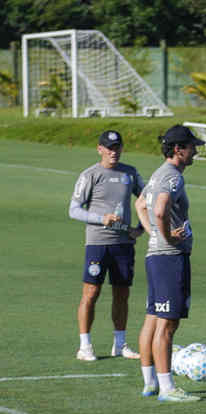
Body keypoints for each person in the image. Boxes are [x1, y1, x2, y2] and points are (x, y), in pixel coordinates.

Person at [135, 125, 205, 403]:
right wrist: (166, 236)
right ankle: (167, 388)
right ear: (179, 150)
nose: (195, 152)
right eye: (191, 147)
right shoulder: (172, 177)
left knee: (153, 318)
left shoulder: (155, 175)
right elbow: (160, 209)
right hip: (169, 259)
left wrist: (153, 234)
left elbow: (141, 205)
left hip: (155, 256)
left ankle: (150, 382)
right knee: (167, 325)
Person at [69, 129, 144, 361]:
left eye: (117, 147)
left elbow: (149, 201)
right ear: (100, 149)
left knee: (122, 294)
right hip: (98, 244)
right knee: (91, 293)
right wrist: (101, 219)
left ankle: (120, 344)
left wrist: (140, 229)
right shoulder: (90, 175)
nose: (114, 152)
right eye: (109, 148)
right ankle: (85, 346)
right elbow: (73, 210)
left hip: (123, 245)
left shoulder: (130, 173)